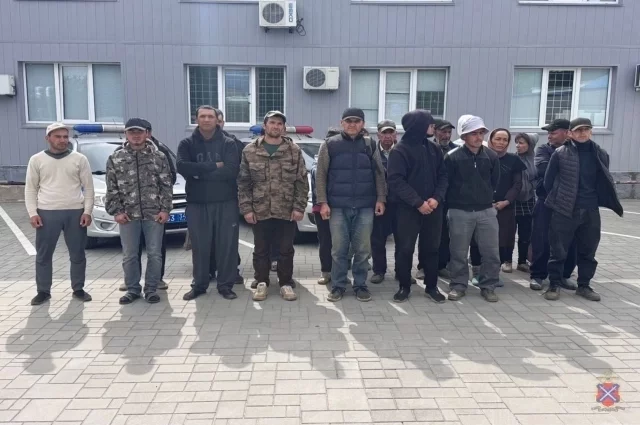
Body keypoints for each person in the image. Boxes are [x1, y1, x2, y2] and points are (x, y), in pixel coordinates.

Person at [543, 118, 623, 301]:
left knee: (588, 251)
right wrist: (561, 199)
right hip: (564, 210)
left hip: (590, 210)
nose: (582, 133)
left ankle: (584, 286)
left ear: (591, 132)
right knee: (558, 251)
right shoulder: (560, 153)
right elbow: (548, 182)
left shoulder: (600, 153)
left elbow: (603, 179)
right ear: (570, 133)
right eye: (578, 130)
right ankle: (554, 285)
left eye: (586, 129)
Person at [316, 108, 387, 302]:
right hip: (338, 206)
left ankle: (360, 285)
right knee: (338, 250)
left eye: (356, 121)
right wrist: (323, 202)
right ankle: (338, 286)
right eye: (348, 121)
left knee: (363, 250)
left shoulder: (370, 144)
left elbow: (379, 174)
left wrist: (381, 199)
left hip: (365, 206)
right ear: (342, 123)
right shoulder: (330, 144)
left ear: (362, 124)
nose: (352, 124)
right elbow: (321, 175)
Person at [237, 111, 309, 302]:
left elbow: (301, 181)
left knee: (286, 249)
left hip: (286, 209)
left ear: (283, 128)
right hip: (260, 209)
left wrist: (299, 207)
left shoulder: (293, 150)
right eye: (272, 123)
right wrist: (247, 209)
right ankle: (262, 282)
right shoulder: (250, 150)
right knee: (261, 250)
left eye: (279, 124)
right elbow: (244, 183)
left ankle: (285, 283)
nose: (276, 126)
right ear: (265, 125)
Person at [25, 123, 94, 305]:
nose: (62, 140)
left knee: (77, 254)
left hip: (75, 212)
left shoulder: (79, 159)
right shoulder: (37, 160)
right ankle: (43, 291)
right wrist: (33, 213)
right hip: (47, 212)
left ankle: (78, 289)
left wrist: (87, 211)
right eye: (58, 136)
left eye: (65, 136)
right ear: (47, 138)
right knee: (44, 255)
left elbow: (88, 188)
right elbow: (30, 189)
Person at [105, 118, 173, 305]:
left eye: (139, 132)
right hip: (128, 215)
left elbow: (166, 185)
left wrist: (165, 209)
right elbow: (111, 188)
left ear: (147, 134)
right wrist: (117, 211)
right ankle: (133, 289)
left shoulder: (158, 157)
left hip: (154, 214)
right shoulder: (116, 158)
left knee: (154, 254)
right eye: (131, 132)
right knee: (130, 255)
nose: (135, 136)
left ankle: (151, 289)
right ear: (126, 134)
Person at [177, 105, 240, 301]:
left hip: (226, 202)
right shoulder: (186, 144)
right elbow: (183, 167)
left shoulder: (229, 143)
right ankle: (199, 285)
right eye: (202, 116)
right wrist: (214, 166)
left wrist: (198, 173)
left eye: (210, 116)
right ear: (196, 119)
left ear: (216, 119)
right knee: (200, 246)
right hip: (197, 204)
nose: (206, 120)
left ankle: (225, 285)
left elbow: (231, 170)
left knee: (227, 246)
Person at [387, 110, 448, 303]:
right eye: (430, 124)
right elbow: (396, 181)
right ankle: (404, 286)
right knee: (405, 249)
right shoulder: (400, 150)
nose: (433, 127)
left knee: (432, 248)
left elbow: (443, 176)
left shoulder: (434, 148)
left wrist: (436, 198)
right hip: (407, 210)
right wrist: (418, 202)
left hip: (433, 208)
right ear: (418, 125)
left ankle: (431, 286)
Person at [445, 115, 501, 302]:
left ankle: (489, 286)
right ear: (463, 135)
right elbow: (446, 183)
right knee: (458, 252)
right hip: (459, 211)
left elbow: (495, 181)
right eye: (473, 133)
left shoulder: (491, 156)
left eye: (481, 133)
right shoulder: (452, 157)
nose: (478, 137)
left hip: (486, 211)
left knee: (491, 252)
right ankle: (458, 285)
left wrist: (487, 199)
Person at [529, 119, 577, 291]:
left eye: (553, 132)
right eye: (548, 133)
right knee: (541, 240)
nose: (549, 136)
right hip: (546, 201)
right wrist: (567, 171)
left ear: (567, 133)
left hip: (569, 203)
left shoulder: (576, 150)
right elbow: (542, 170)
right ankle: (538, 275)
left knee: (569, 241)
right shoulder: (543, 150)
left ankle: (563, 275)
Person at [469, 129, 524, 276]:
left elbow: (517, 184)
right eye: (498, 139)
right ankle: (477, 270)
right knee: (477, 239)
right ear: (491, 140)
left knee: (501, 241)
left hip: (505, 208)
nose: (501, 142)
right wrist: (486, 201)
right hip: (481, 206)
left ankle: (493, 273)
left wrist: (506, 201)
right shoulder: (480, 157)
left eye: (505, 140)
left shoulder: (514, 160)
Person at [417, 119, 457, 280]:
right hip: (431, 199)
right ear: (434, 131)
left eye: (449, 132)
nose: (446, 135)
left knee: (446, 235)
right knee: (427, 235)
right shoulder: (426, 148)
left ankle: (441, 265)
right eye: (443, 131)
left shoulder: (456, 150)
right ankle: (422, 266)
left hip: (450, 199)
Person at [313, 128, 342, 286]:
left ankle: (340, 272)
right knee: (326, 241)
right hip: (322, 208)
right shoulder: (318, 162)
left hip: (342, 207)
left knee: (342, 242)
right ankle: (326, 271)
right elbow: (317, 184)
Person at [370, 119, 397, 284]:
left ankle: (402, 271)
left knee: (403, 240)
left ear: (395, 134)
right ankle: (379, 271)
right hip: (379, 202)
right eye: (384, 133)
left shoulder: (402, 151)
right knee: (378, 239)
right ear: (378, 135)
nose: (387, 136)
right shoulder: (371, 152)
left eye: (390, 132)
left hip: (399, 203)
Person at [513, 133, 539, 273]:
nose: (518, 145)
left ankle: (522, 261)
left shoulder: (536, 160)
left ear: (530, 145)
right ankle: (506, 260)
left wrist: (531, 185)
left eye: (522, 143)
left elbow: (540, 177)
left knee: (525, 233)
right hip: (512, 200)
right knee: (508, 232)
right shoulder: (512, 158)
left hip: (529, 200)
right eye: (517, 142)